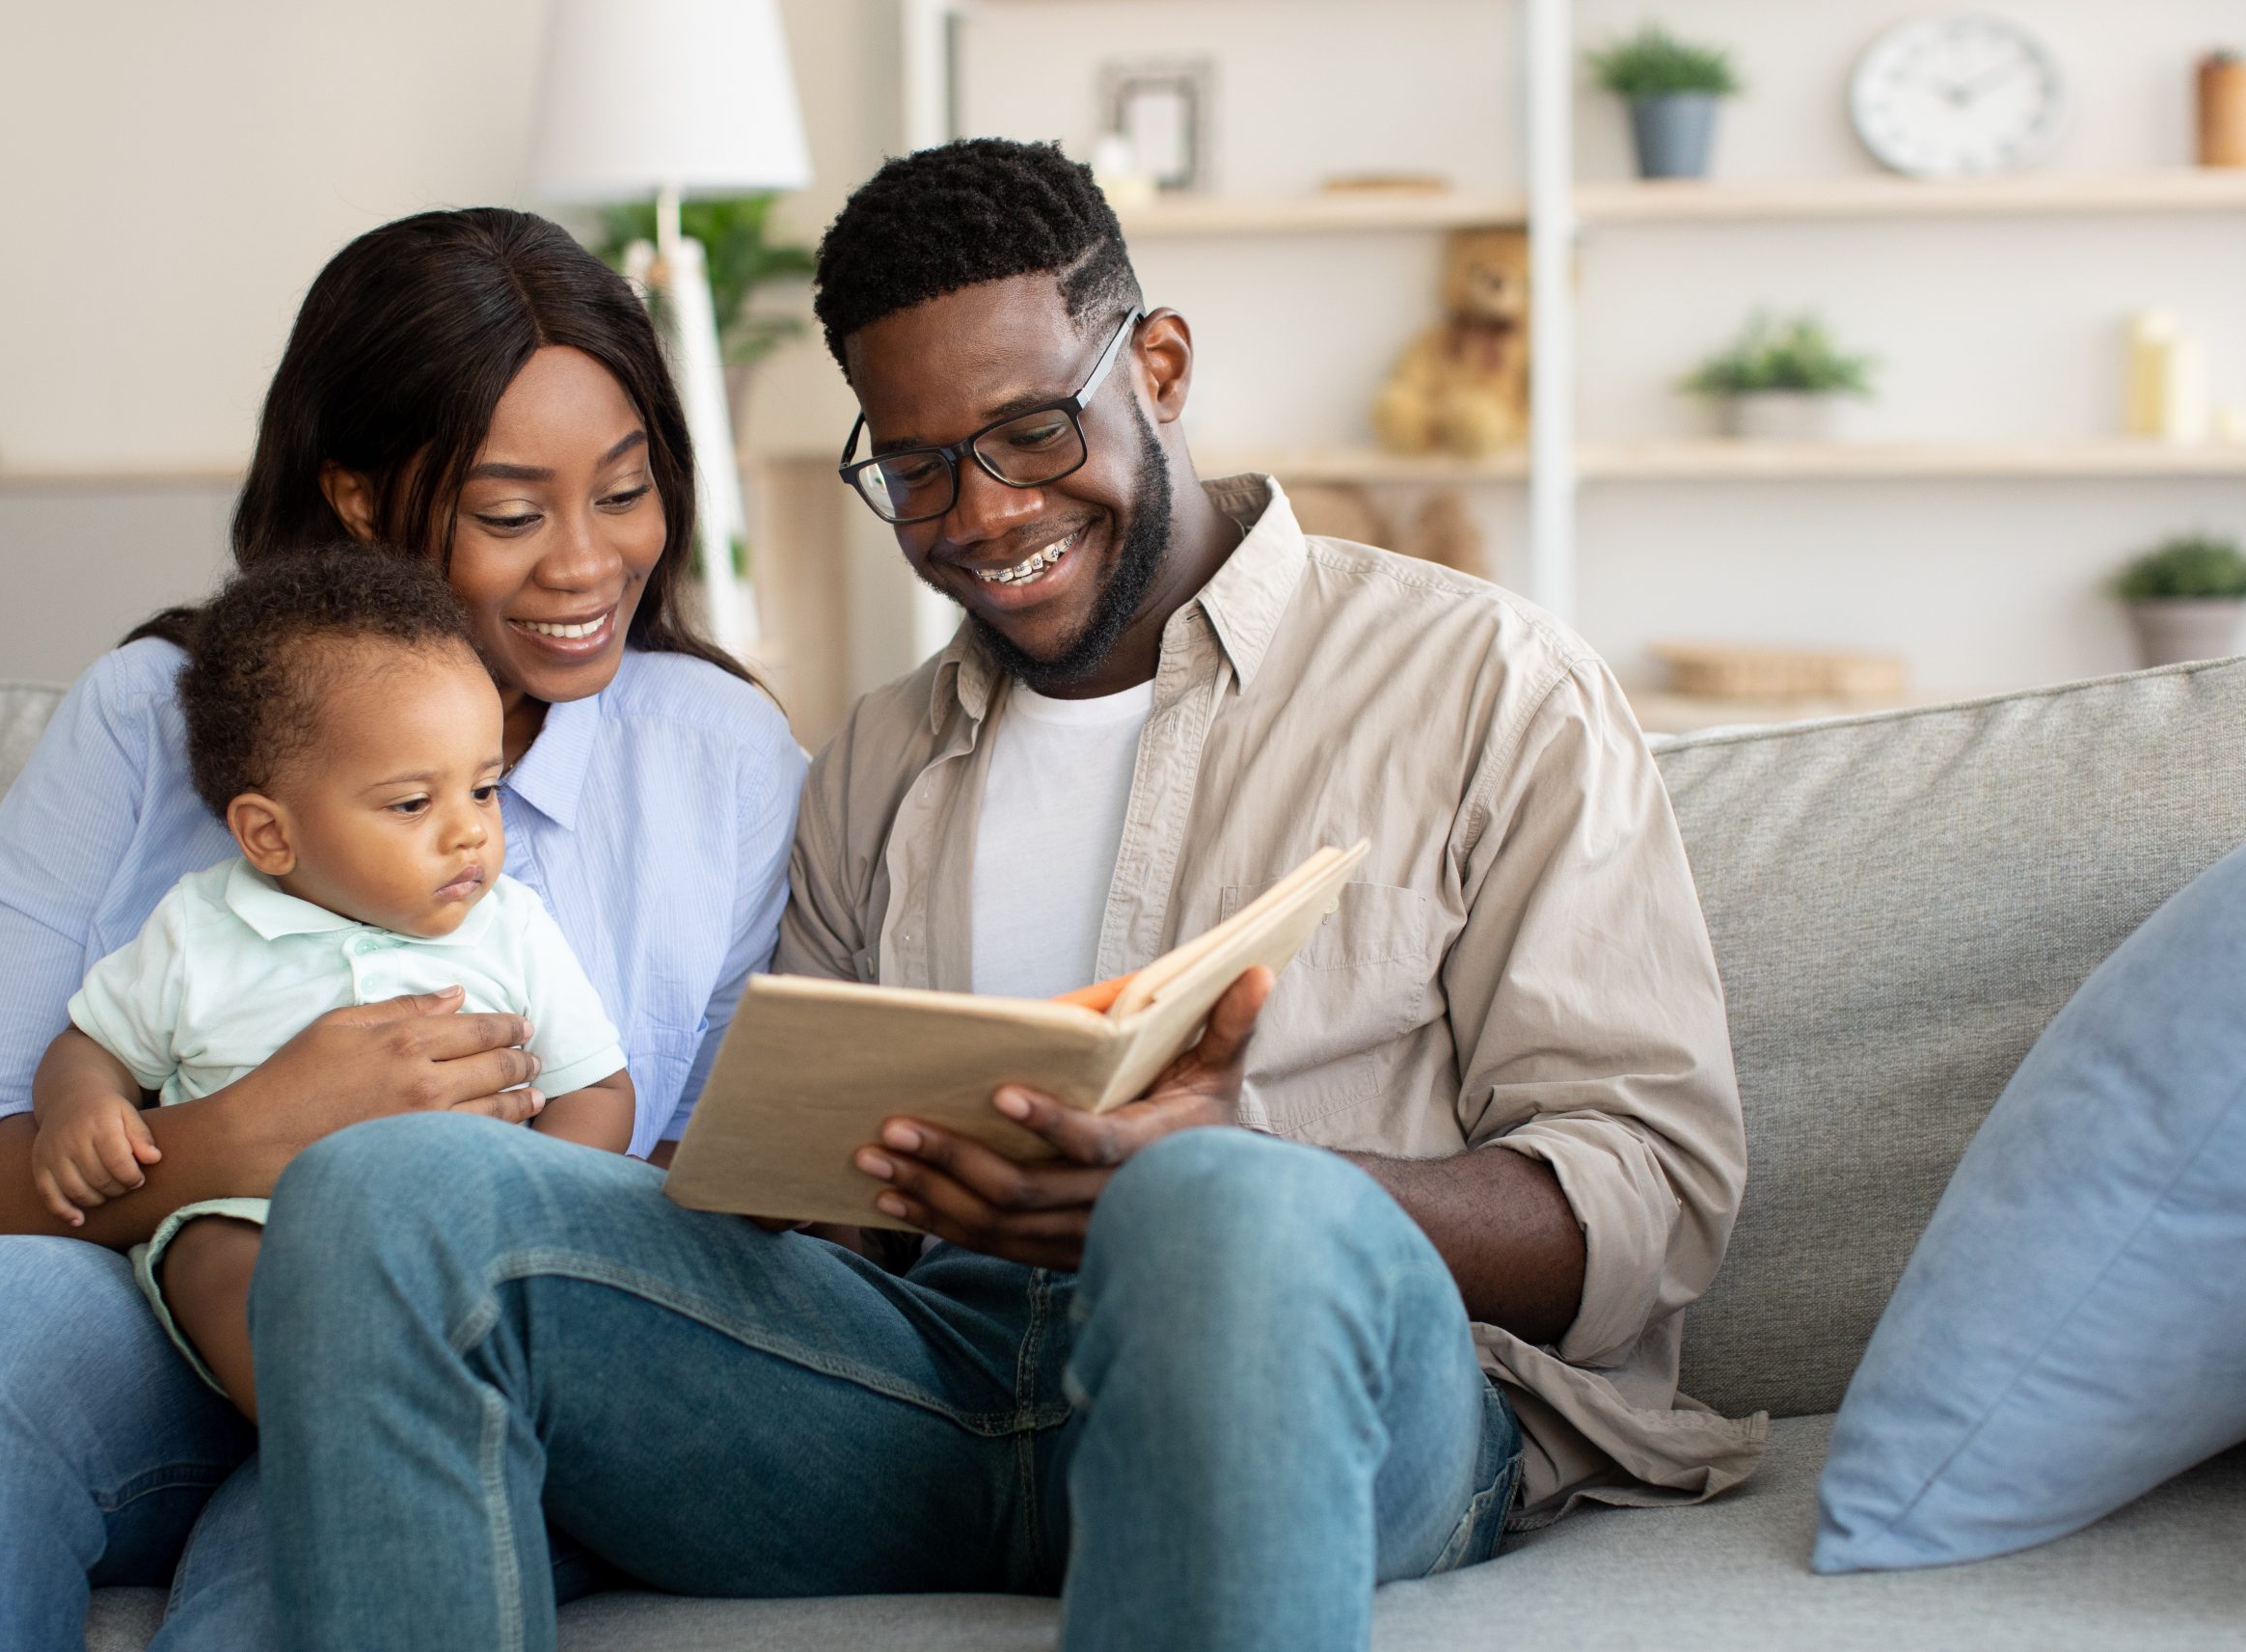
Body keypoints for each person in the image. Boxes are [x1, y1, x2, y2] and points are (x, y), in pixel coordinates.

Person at [245, 141, 1759, 1651]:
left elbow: (1651, 1187)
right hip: (930, 1394)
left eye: (1032, 432)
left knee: (1218, 1207)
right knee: (386, 1194)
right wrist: (792, 1177)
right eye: (913, 468)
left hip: (1349, 1395)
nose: (979, 512)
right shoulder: (875, 759)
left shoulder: (1488, 683)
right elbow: (815, 1222)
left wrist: (1252, 1171)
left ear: (1156, 366)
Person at [0, 208, 805, 1649]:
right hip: (172, 1319)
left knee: (341, 1501)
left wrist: (450, 1223)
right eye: (511, 512)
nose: (589, 565)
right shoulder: (153, 721)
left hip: (483, 1358)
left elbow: (722, 1184)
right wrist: (236, 1141)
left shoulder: (722, 762)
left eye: (627, 492)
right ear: (360, 499)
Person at [33, 549, 639, 1419]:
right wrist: (79, 1107)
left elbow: (600, 1086)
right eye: (410, 805)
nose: (468, 833)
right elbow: (91, 1046)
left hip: (462, 1231)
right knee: (207, 1253)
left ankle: (448, 1405)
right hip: (259, 1223)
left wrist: (534, 1191)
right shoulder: (200, 929)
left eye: (483, 789)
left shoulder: (510, 926)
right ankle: (327, 1419)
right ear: (269, 836)